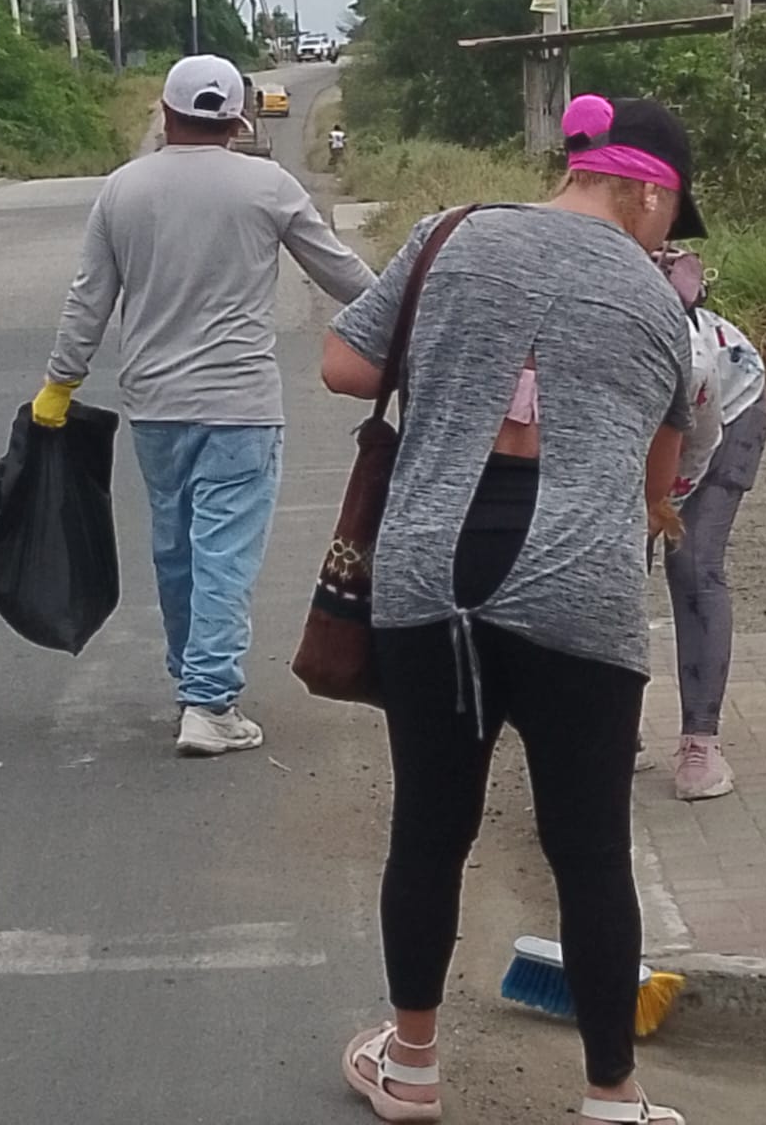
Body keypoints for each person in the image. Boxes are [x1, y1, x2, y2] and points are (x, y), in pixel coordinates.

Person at [321, 94, 703, 1125]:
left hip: (429, 580)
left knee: (428, 828)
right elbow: (659, 481)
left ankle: (410, 1064)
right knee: (591, 849)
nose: (669, 235)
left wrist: (459, 368)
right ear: (648, 193)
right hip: (581, 595)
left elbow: (344, 365)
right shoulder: (661, 304)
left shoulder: (451, 235)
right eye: (675, 214)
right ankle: (613, 1094)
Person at [33, 55, 375, 758]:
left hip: (156, 405)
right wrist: (414, 316)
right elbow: (342, 274)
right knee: (224, 551)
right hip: (240, 405)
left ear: (165, 112)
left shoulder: (124, 189)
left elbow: (88, 298)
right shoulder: (266, 186)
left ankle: (192, 683)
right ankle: (210, 702)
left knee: (177, 548)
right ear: (238, 120)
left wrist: (61, 382)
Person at [656, 253, 766, 802]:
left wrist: (660, 509)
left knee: (692, 559)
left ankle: (700, 742)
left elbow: (697, 447)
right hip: (649, 425)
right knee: (611, 566)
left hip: (729, 411)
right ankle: (615, 722)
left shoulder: (691, 357)